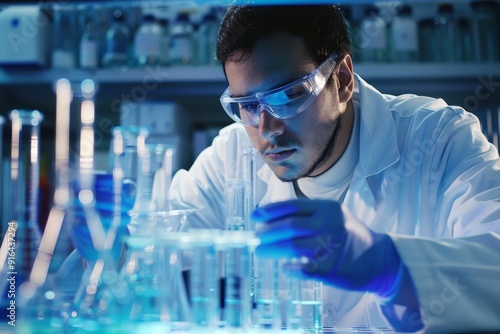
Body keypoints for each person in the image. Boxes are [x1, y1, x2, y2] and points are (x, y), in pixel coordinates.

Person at [163, 4, 500, 333]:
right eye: (247, 106)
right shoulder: (230, 157)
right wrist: (112, 234)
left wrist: (390, 265)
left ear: (341, 79)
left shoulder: (438, 139)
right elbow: (161, 259)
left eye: (288, 95)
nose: (266, 128)